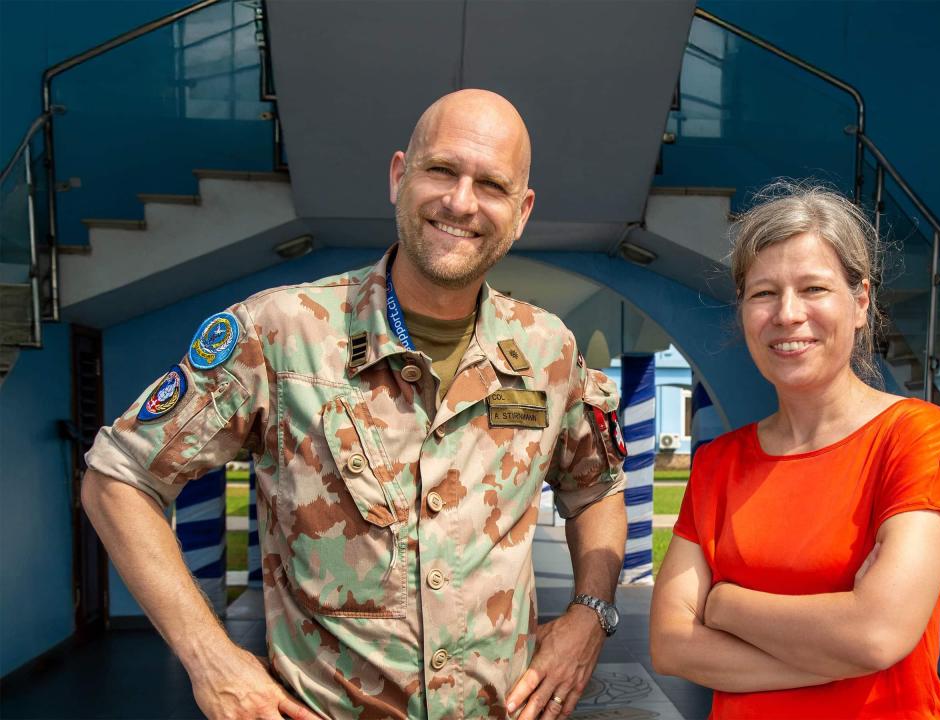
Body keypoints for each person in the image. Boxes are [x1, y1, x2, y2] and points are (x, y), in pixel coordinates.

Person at [82, 89, 628, 720]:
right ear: (400, 176)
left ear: (522, 210)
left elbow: (596, 486)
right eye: (441, 170)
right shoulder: (283, 333)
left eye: (492, 184)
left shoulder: (547, 350)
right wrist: (211, 660)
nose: (460, 201)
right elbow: (117, 479)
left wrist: (590, 614)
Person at [650, 183, 940, 718]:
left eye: (814, 288)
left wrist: (725, 604)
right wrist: (840, 650)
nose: (787, 314)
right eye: (763, 293)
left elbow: (876, 633)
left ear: (861, 302)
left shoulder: (914, 434)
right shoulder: (719, 463)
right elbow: (670, 643)